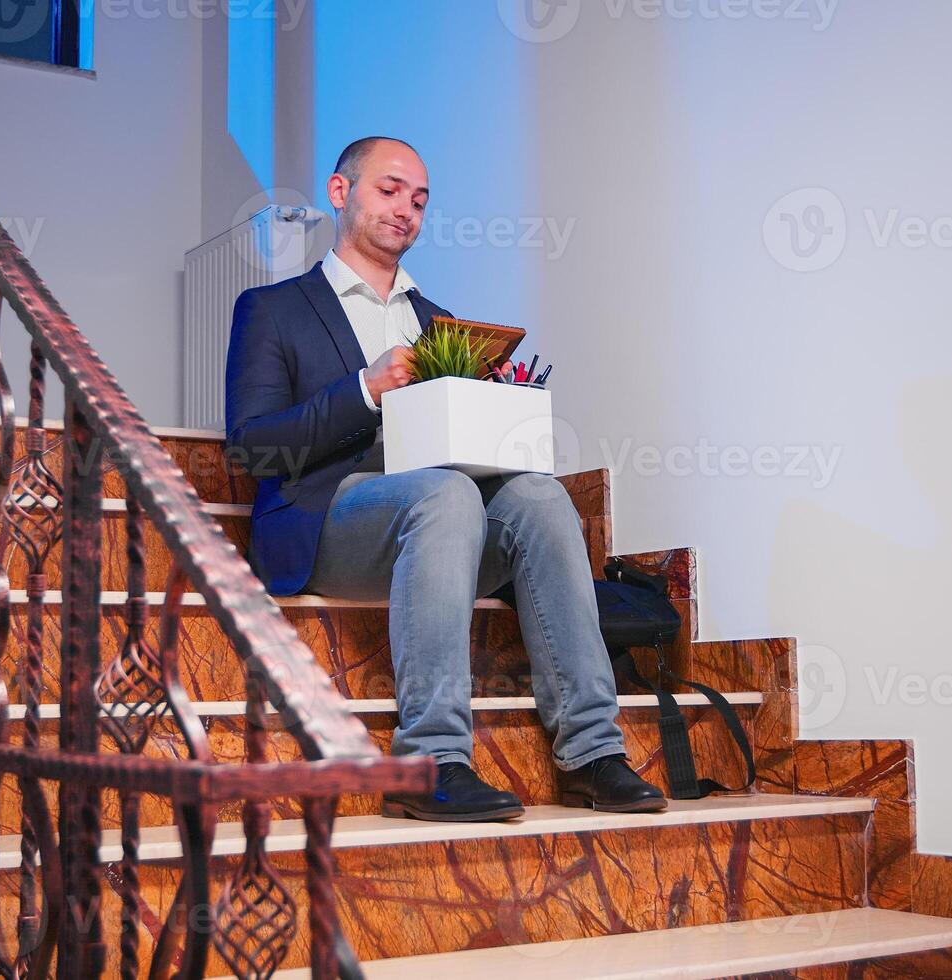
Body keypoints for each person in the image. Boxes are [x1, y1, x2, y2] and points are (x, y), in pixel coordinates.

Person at [223, 136, 666, 821]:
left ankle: (592, 753)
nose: (407, 209)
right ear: (341, 193)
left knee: (541, 496)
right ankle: (429, 759)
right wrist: (363, 390)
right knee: (444, 494)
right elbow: (251, 451)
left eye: (421, 200)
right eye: (390, 190)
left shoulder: (440, 323)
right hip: (326, 521)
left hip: (440, 518)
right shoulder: (273, 309)